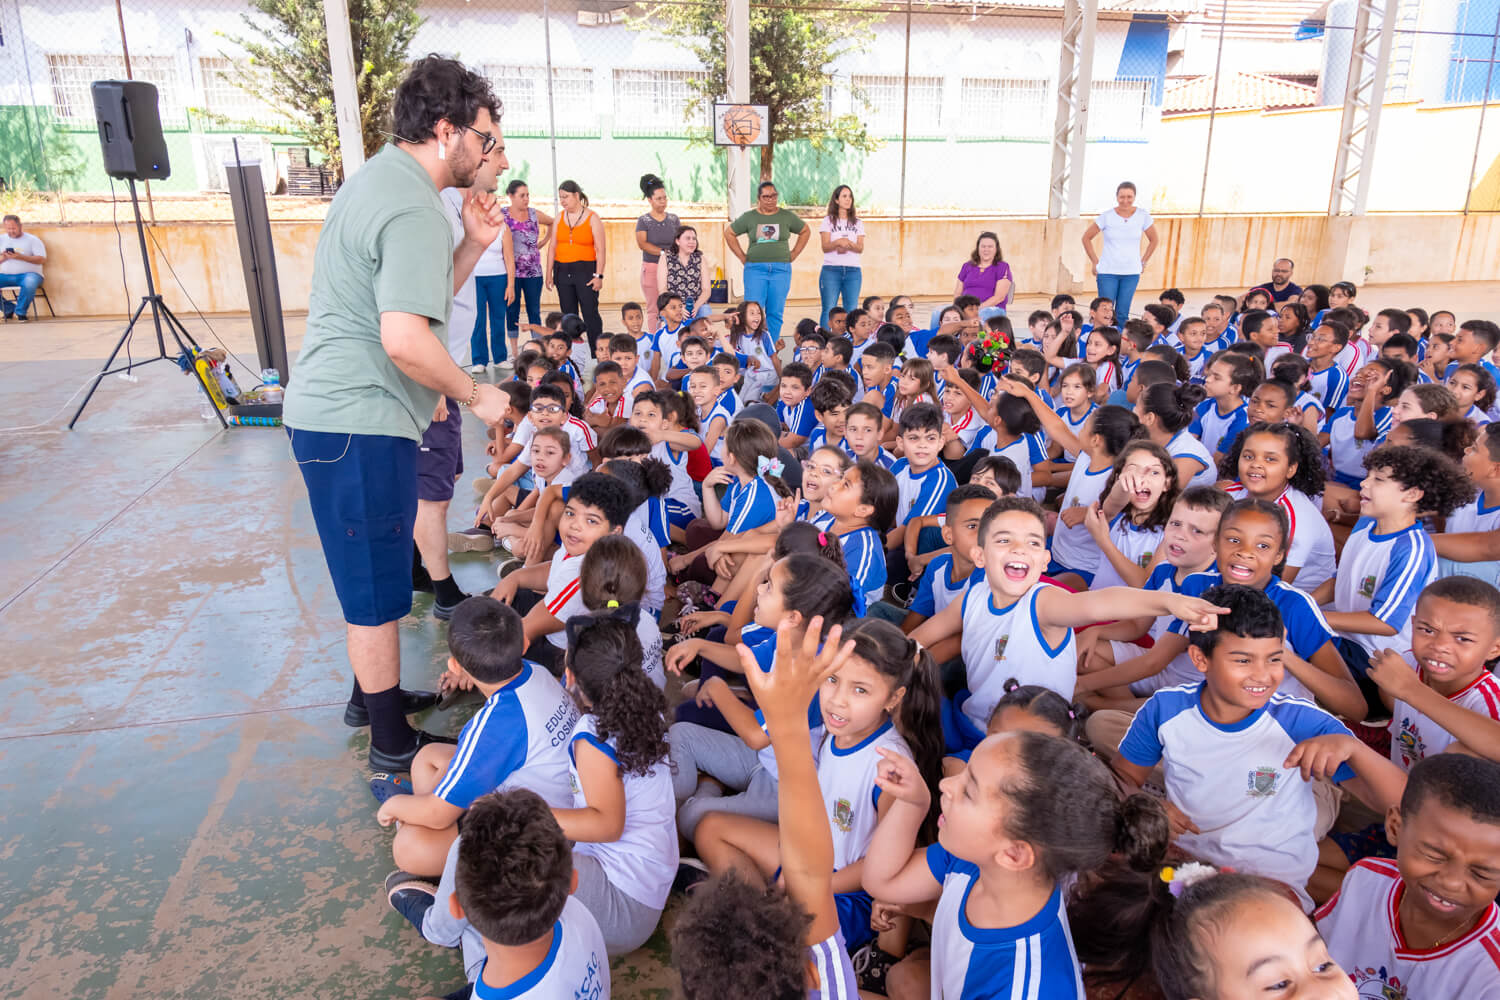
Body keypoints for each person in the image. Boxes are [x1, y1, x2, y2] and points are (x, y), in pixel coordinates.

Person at [283, 56, 511, 772]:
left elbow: (413, 303)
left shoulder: (384, 181)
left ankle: (372, 698)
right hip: (358, 417)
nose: (496, 157)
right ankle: (389, 740)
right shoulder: (412, 207)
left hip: (347, 416)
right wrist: (475, 393)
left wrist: (472, 244)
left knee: (376, 570)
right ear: (447, 131)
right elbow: (406, 339)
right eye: (487, 139)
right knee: (376, 588)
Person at [1316, 753, 1500, 998]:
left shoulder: (1491, 973)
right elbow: (1318, 959)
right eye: (1434, 856)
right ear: (1395, 827)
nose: (1452, 882)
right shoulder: (1366, 878)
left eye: (1481, 873)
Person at [418, 145, 508, 620]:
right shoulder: (433, 211)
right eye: (497, 150)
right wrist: (435, 382)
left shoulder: (456, 207)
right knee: (430, 496)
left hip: (448, 372)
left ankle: (416, 566)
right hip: (434, 377)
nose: (504, 164)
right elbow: (422, 304)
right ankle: (443, 591)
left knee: (446, 478)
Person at [725, 180, 810, 341]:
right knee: (752, 311)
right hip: (755, 270)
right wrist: (742, 256)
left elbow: (805, 230)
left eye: (774, 195)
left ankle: (771, 348)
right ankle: (752, 346)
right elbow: (729, 233)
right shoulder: (750, 217)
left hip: (781, 270)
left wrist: (794, 253)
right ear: (759, 198)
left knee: (775, 312)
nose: (771, 199)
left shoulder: (786, 216)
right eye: (766, 196)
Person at [1081, 181, 1158, 321]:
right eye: (1122, 197)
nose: (1125, 200)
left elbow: (1154, 240)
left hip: (1131, 273)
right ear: (1117, 197)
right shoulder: (1107, 216)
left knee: (1122, 313)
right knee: (1105, 312)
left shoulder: (1143, 216)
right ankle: (1102, 334)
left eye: (1129, 197)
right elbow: (1086, 238)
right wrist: (1095, 261)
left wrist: (1144, 261)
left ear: (1134, 197)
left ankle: (1120, 335)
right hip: (1107, 272)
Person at [547, 179, 607, 342]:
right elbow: (552, 247)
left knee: (590, 313)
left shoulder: (592, 218)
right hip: (562, 270)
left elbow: (601, 250)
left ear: (576, 195)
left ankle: (597, 351)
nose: (562, 201)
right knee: (568, 316)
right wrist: (549, 273)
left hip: (585, 271)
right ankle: (571, 352)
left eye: (566, 197)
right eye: (560, 197)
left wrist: (599, 276)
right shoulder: (559, 217)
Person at [501, 180, 552, 366]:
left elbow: (553, 222)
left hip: (533, 273)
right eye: (522, 195)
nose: (526, 199)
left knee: (534, 311)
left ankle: (537, 349)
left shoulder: (534, 214)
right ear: (511, 196)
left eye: (528, 195)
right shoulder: (502, 215)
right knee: (511, 310)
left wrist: (544, 241)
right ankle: (514, 352)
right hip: (511, 273)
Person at [467, 182, 515, 373]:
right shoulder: (468, 225)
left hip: (498, 278)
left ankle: (500, 357)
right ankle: (479, 360)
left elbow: (509, 259)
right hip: (475, 279)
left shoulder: (504, 228)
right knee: (477, 319)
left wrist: (510, 285)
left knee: (498, 318)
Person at [635, 173, 680, 331]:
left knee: (674, 306)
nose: (663, 202)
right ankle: (656, 339)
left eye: (665, 198)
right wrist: (664, 253)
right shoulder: (644, 221)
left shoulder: (674, 219)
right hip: (652, 267)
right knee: (654, 308)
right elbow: (642, 243)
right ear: (650, 200)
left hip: (674, 268)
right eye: (659, 198)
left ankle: (673, 336)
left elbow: (680, 241)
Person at [819, 184, 865, 329]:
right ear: (836, 200)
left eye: (850, 196)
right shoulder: (828, 221)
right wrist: (838, 242)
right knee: (829, 308)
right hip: (831, 270)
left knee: (851, 309)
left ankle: (849, 339)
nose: (848, 199)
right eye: (844, 196)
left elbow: (860, 248)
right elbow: (825, 246)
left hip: (853, 271)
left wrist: (848, 244)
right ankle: (824, 338)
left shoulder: (858, 222)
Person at [656, 224, 711, 322]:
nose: (692, 241)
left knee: (705, 311)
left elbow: (706, 290)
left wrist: (696, 306)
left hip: (697, 306)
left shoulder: (700, 258)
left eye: (694, 239)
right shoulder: (666, 258)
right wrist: (680, 307)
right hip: (673, 306)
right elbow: (662, 290)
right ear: (677, 241)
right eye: (687, 238)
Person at [954, 231, 1013, 320]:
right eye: (983, 246)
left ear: (996, 249)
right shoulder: (967, 266)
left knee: (978, 317)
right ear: (978, 248)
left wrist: (975, 310)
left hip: (991, 308)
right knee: (939, 313)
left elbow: (999, 297)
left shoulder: (1002, 267)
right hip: (965, 309)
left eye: (990, 246)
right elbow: (957, 293)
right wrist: (959, 308)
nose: (986, 250)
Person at [0, 214, 45, 322]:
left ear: (20, 226)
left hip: (29, 275)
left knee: (29, 282)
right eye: (8, 229)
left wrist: (20, 257)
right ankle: (9, 309)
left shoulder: (32, 240)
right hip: (5, 275)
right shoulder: (1, 239)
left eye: (13, 228)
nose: (11, 231)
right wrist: (4, 258)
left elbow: (41, 259)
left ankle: (21, 312)